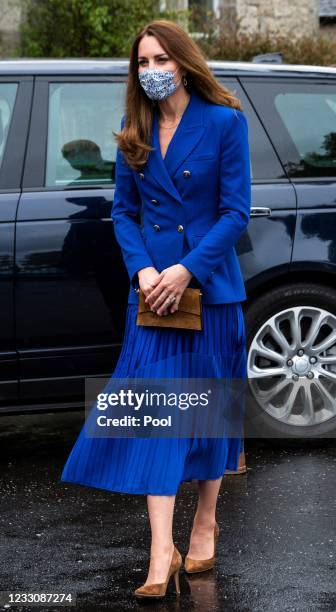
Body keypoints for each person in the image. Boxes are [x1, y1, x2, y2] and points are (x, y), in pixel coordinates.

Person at [60, 18, 251, 600]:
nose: (152, 72)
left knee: (207, 414)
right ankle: (159, 550)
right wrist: (144, 269)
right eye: (143, 63)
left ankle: (205, 523)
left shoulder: (225, 123)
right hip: (151, 300)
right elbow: (122, 212)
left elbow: (235, 212)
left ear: (184, 63)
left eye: (162, 61)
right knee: (153, 418)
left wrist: (187, 266)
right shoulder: (133, 127)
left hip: (208, 292)